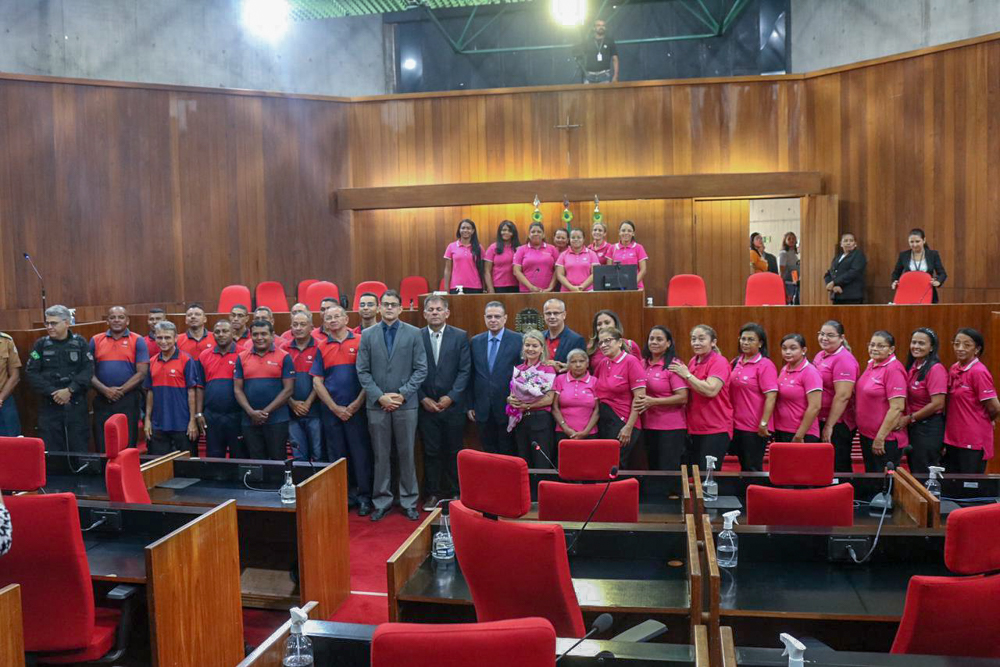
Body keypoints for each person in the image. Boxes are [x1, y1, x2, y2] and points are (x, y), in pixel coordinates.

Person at [357, 290, 428, 522]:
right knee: (381, 455)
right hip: (377, 405)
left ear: (400, 308)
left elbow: (421, 369)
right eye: (385, 304)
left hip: (405, 406)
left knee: (407, 454)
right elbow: (363, 371)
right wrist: (380, 397)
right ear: (379, 308)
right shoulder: (367, 335)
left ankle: (408, 500)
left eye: (393, 305)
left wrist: (401, 395)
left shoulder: (414, 333)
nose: (389, 308)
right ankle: (382, 501)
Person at [311, 306, 372, 515]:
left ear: (346, 319)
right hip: (332, 411)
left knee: (360, 455)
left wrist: (356, 404)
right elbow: (317, 382)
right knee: (336, 457)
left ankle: (364, 497)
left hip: (357, 410)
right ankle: (343, 497)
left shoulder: (360, 341)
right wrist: (334, 408)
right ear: (324, 323)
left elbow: (368, 377)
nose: (333, 320)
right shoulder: (321, 346)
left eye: (337, 316)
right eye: (329, 318)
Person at [418, 296, 471, 509]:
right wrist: (423, 398)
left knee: (454, 451)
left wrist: (451, 396)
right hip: (426, 406)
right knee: (430, 452)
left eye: (438, 309)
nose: (434, 313)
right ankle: (432, 493)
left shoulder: (460, 336)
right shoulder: (417, 337)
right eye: (430, 309)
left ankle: (456, 491)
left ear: (446, 313)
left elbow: (465, 370)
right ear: (424, 313)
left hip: (453, 406)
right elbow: (411, 371)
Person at [25, 305, 93, 453]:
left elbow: (88, 370)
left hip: (75, 404)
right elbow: (31, 373)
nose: (49, 327)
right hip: (50, 405)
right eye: (47, 323)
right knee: (51, 448)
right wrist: (54, 392)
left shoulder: (80, 343)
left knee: (78, 445)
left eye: (53, 323)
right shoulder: (40, 345)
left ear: (67, 323)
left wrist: (70, 390)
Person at [669, 325, 732, 470]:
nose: (696, 342)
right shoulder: (693, 361)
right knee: (695, 475)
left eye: (701, 339)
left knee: (708, 476)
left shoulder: (719, 362)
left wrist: (686, 375)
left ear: (713, 342)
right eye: (693, 339)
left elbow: (711, 390)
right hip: (694, 428)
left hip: (715, 429)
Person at [234, 320, 295, 460]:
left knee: (277, 458)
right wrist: (251, 412)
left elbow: (288, 390)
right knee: (256, 461)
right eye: (255, 334)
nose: (259, 337)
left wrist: (265, 412)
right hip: (249, 420)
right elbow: (237, 390)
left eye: (263, 334)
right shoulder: (242, 357)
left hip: (277, 419)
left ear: (272, 335)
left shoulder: (284, 356)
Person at [468, 302, 523, 456]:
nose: (493, 320)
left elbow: (523, 373)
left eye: (497, 316)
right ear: (484, 318)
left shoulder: (518, 339)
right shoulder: (475, 341)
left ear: (505, 318)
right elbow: (471, 375)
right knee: (488, 452)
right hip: (482, 408)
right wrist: (470, 404)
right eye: (490, 316)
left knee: (508, 452)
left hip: (507, 407)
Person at [89, 306, 149, 450]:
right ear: (107, 321)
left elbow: (141, 373)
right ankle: (105, 472)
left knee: (128, 441)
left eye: (121, 317)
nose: (117, 320)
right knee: (102, 442)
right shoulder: (96, 340)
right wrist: (105, 390)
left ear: (127, 321)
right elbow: (87, 372)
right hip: (102, 398)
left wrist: (119, 391)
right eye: (112, 317)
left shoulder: (138, 340)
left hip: (128, 399)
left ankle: (127, 472)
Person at [943, 328, 1000, 473]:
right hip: (953, 438)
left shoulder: (979, 371)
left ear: (977, 349)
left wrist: (985, 419)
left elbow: (994, 407)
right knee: (953, 486)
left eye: (967, 345)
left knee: (970, 487)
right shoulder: (954, 368)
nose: (960, 348)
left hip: (973, 440)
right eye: (957, 344)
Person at [635, 326, 687, 472]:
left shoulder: (674, 365)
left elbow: (683, 398)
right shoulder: (642, 363)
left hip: (671, 427)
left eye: (659, 339)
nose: (654, 342)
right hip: (647, 425)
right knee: (652, 467)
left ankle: (672, 495)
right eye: (651, 339)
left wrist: (653, 401)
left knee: (668, 469)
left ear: (669, 343)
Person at [144, 321, 200, 455]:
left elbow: (192, 392)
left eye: (167, 337)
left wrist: (192, 421)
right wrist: (147, 419)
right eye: (159, 337)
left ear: (176, 338)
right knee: (159, 469)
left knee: (186, 468)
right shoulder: (151, 362)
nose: (163, 341)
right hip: (158, 424)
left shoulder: (186, 360)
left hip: (182, 423)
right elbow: (150, 392)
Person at [856, 331, 908, 472]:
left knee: (883, 485)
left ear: (891, 349)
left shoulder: (894, 369)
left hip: (885, 440)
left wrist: (880, 438)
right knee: (871, 482)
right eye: (872, 345)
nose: (874, 349)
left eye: (880, 346)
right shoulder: (872, 364)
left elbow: (897, 408)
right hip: (867, 435)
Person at [594, 326, 646, 466]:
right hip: (605, 420)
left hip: (623, 421)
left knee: (616, 463)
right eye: (600, 342)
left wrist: (628, 427)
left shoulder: (631, 361)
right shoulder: (603, 363)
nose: (603, 345)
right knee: (604, 463)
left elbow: (640, 399)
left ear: (619, 342)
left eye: (608, 341)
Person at [728, 323, 777, 471]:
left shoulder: (765, 365)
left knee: (752, 468)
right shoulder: (736, 362)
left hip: (755, 428)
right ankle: (744, 494)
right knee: (742, 466)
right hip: (736, 425)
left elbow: (771, 396)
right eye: (743, 339)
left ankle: (754, 494)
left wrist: (763, 423)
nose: (745, 343)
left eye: (751, 339)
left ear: (760, 343)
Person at [899, 327, 946, 472]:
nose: (916, 347)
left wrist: (910, 418)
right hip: (915, 427)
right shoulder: (914, 366)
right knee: (915, 470)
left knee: (924, 472)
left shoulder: (936, 369)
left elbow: (938, 403)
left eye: (921, 343)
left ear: (931, 347)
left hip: (929, 429)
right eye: (914, 342)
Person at [814, 320, 859, 473]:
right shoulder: (820, 355)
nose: (824, 338)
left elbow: (843, 396)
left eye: (830, 335)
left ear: (841, 338)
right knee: (822, 465)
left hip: (838, 424)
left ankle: (842, 495)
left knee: (838, 466)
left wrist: (829, 426)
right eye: (822, 334)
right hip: (821, 418)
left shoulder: (844, 359)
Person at [508, 330, 557, 468]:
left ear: (542, 348)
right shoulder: (519, 369)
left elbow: (549, 399)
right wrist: (510, 400)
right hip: (521, 421)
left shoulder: (548, 369)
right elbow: (512, 394)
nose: (530, 349)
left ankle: (540, 489)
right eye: (527, 345)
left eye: (535, 346)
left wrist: (527, 406)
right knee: (524, 461)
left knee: (541, 461)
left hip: (540, 420)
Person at [196, 319, 243, 458]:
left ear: (233, 333)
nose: (221, 334)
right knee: (214, 457)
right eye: (217, 332)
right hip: (212, 416)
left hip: (237, 415)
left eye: (225, 331)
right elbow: (200, 387)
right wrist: (199, 413)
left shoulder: (243, 354)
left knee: (239, 456)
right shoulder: (204, 355)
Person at [772, 334, 823, 443]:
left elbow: (815, 407)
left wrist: (800, 435)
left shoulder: (810, 372)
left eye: (793, 348)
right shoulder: (785, 369)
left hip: (802, 434)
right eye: (784, 348)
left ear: (803, 350)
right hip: (781, 429)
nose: (788, 352)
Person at [286, 311, 323, 462]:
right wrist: (293, 403)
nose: (299, 328)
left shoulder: (320, 347)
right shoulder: (283, 349)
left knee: (318, 453)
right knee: (298, 455)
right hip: (291, 412)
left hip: (315, 411)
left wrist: (307, 403)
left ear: (311, 327)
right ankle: (301, 485)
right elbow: (280, 382)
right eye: (295, 324)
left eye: (303, 324)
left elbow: (320, 380)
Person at [551, 349, 600, 448]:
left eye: (581, 361)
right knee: (565, 462)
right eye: (573, 362)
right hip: (563, 432)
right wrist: (566, 428)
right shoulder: (560, 379)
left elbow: (597, 410)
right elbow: (555, 407)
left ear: (587, 364)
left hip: (589, 433)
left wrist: (586, 431)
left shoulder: (594, 381)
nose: (578, 365)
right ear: (568, 365)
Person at [890, 228, 947, 303]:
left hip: (927, 293)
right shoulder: (903, 255)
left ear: (924, 240)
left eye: (917, 241)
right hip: (908, 293)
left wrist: (938, 281)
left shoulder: (933, 254)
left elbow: (942, 274)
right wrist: (895, 282)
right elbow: (895, 273)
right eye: (911, 242)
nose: (914, 244)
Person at [541, 298, 586, 372]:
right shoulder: (539, 337)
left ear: (564, 315)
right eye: (548, 313)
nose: (552, 317)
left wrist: (562, 368)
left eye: (556, 313)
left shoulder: (576, 340)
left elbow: (581, 368)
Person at [513, 222, 559, 292]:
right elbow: (516, 271)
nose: (536, 233)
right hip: (526, 291)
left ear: (543, 235)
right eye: (533, 232)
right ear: (529, 235)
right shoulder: (521, 250)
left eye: (539, 232)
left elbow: (558, 270)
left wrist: (550, 287)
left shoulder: (552, 249)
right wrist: (531, 287)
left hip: (548, 291)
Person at [443, 219, 484, 294]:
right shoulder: (451, 246)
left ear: (473, 231)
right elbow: (447, 270)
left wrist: (485, 287)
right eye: (463, 228)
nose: (465, 230)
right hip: (456, 286)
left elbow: (483, 269)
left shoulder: (479, 247)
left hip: (475, 286)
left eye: (468, 228)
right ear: (459, 230)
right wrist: (446, 289)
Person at [824, 232, 867, 304]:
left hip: (852, 296)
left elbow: (853, 272)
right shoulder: (837, 257)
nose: (848, 243)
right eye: (845, 241)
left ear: (855, 243)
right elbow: (829, 273)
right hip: (837, 295)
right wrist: (832, 286)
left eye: (851, 241)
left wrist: (835, 282)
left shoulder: (858, 255)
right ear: (841, 244)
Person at [606, 221, 648, 289]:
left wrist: (632, 284)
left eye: (629, 231)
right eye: (623, 230)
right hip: (617, 287)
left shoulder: (639, 248)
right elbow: (609, 270)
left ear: (633, 233)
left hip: (636, 286)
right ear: (619, 232)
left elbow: (643, 270)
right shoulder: (612, 248)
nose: (626, 233)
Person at [576, 18, 619, 84]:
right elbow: (580, 57)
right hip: (589, 75)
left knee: (604, 94)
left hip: (604, 75)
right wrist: (585, 72)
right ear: (594, 28)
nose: (601, 27)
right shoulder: (588, 42)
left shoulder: (609, 41)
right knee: (588, 94)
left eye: (603, 25)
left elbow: (615, 59)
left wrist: (615, 76)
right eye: (598, 25)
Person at [484, 220, 520, 294]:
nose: (506, 232)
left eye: (509, 230)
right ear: (500, 232)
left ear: (513, 233)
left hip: (516, 286)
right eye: (504, 230)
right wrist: (490, 289)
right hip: (498, 286)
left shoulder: (519, 249)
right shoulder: (493, 248)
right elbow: (487, 271)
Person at [0, 329, 21, 436]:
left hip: (3, 400)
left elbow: (15, 376)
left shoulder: (6, 340)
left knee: (11, 441)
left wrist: (1, 398)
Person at [779, 232, 800, 304]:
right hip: (787, 283)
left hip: (795, 282)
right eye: (789, 239)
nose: (791, 240)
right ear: (785, 241)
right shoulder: (783, 254)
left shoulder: (794, 254)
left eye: (793, 238)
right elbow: (782, 271)